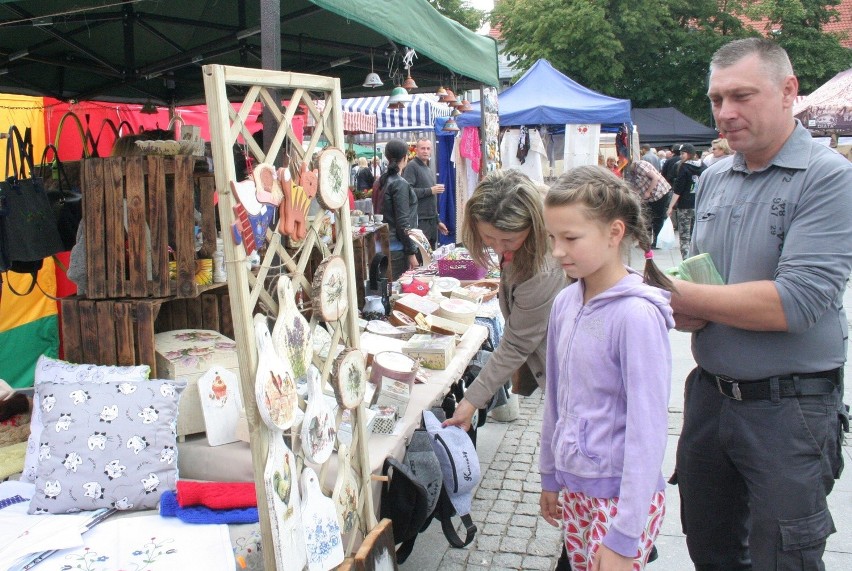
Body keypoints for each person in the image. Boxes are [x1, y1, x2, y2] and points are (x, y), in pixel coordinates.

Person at [671, 38, 852, 570]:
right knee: (711, 547)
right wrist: (683, 306)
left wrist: (670, 293)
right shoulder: (715, 178)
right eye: (716, 99)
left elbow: (795, 303)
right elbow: (703, 280)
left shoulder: (828, 178)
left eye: (742, 96)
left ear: (788, 91)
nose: (726, 113)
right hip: (710, 398)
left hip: (787, 409)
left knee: (784, 559)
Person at [540, 165, 674, 571]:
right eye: (552, 238)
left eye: (571, 238)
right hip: (576, 487)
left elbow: (647, 430)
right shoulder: (565, 302)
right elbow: (555, 399)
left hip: (620, 498)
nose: (558, 251)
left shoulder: (636, 317)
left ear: (615, 233)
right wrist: (550, 474)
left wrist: (627, 531)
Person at [443, 170, 567, 432]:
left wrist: (470, 401)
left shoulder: (542, 270)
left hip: (571, 376)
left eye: (509, 239)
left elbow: (517, 343)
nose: (498, 248)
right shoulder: (526, 201)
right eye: (489, 238)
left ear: (532, 225)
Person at [380, 139, 420, 280]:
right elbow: (403, 222)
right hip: (396, 247)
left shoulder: (383, 181)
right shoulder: (398, 183)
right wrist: (411, 253)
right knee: (396, 292)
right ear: (405, 157)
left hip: (383, 243)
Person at [403, 137, 449, 247]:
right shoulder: (412, 166)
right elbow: (408, 192)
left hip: (431, 222)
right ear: (416, 150)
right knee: (422, 256)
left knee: (430, 256)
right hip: (420, 221)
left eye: (428, 148)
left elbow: (430, 200)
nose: (425, 151)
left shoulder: (427, 168)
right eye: (423, 148)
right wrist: (430, 190)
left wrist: (437, 221)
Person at [666, 143, 706, 259]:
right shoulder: (703, 166)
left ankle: (686, 261)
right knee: (695, 235)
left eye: (683, 153)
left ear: (689, 154)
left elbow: (678, 189)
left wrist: (670, 207)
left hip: (685, 205)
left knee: (684, 236)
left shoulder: (684, 167)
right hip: (698, 205)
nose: (681, 156)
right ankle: (696, 259)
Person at [622, 158, 671, 248]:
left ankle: (657, 241)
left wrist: (648, 192)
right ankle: (645, 242)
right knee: (647, 218)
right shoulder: (631, 174)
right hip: (647, 198)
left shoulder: (641, 166)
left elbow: (655, 178)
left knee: (657, 218)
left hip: (659, 193)